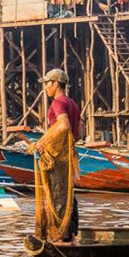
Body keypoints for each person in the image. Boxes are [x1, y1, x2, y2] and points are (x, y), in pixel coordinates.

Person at [28, 69, 80, 245]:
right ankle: (71, 236)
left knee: (57, 196)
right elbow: (78, 134)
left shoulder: (58, 102)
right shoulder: (72, 104)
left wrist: (42, 142)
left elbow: (64, 125)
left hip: (57, 159)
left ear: (56, 83)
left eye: (47, 84)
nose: (45, 88)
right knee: (67, 195)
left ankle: (59, 238)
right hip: (68, 158)